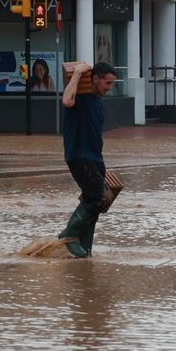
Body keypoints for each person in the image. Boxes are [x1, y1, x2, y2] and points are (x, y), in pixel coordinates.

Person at [56, 60, 119, 258]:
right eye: (107, 83)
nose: (110, 88)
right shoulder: (79, 99)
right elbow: (66, 101)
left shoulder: (97, 102)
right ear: (95, 79)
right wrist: (76, 74)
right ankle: (69, 235)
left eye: (112, 83)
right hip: (79, 156)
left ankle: (85, 251)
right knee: (99, 197)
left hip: (95, 158)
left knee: (101, 201)